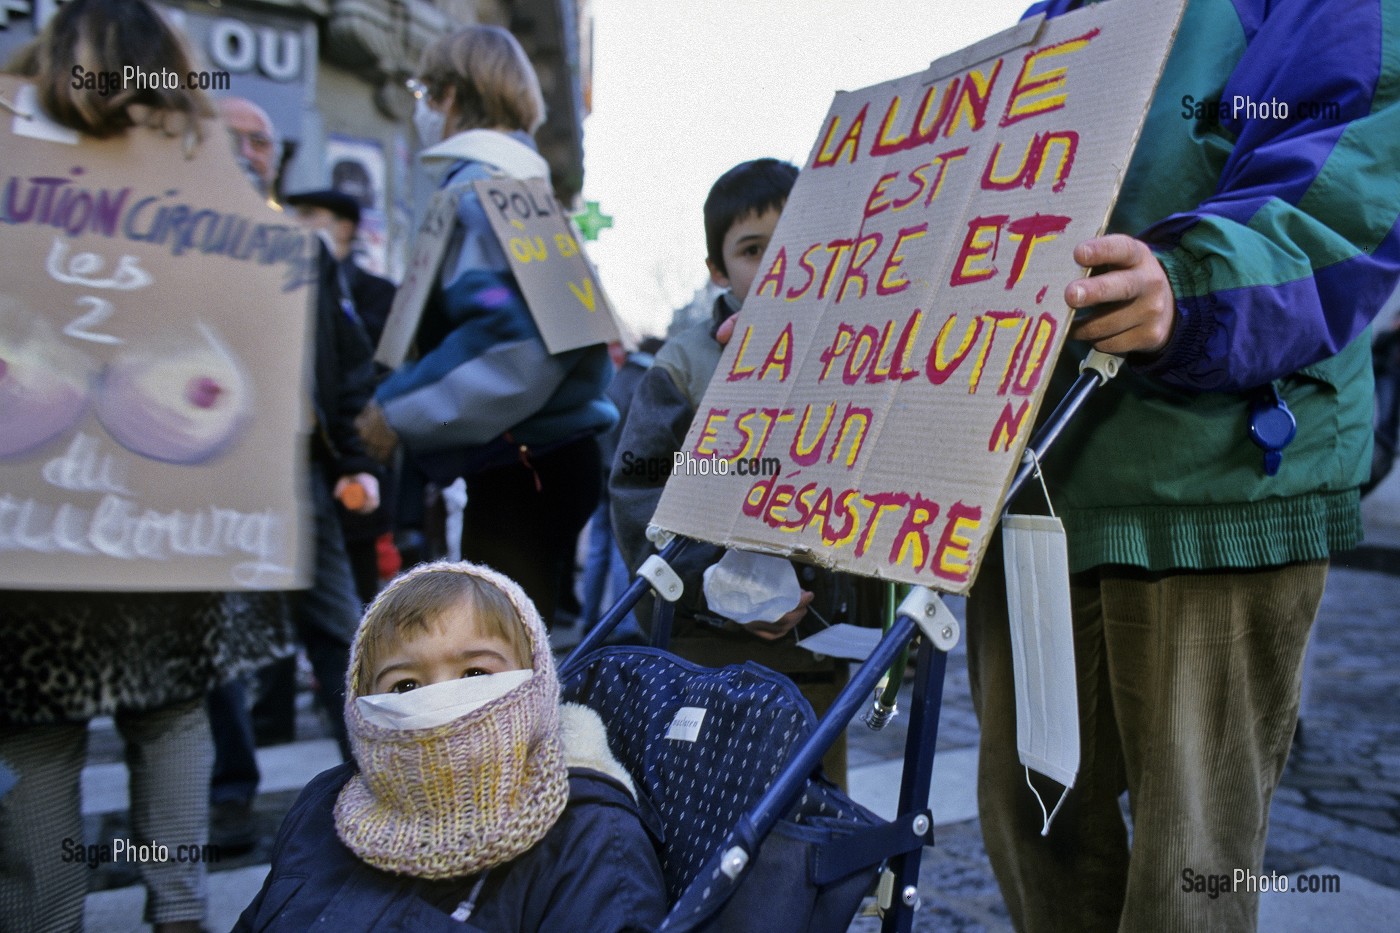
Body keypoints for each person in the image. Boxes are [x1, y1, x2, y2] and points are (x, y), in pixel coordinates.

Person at [965, 1, 1400, 931]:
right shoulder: (1052, 15)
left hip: (1220, 473)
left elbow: (1355, 165)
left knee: (1195, 865)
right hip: (1036, 481)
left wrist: (1194, 284)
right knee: (1030, 822)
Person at [0, 3, 294, 931]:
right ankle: (175, 911)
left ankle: (46, 918)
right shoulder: (202, 162)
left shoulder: (11, 139)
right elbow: (268, 311)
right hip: (171, 503)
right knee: (169, 716)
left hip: (33, 510)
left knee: (37, 734)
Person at [610, 159, 878, 785]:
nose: (779, 263)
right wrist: (710, 590)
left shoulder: (857, 350)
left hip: (815, 647)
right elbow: (641, 489)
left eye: (795, 243)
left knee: (811, 806)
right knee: (708, 802)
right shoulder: (685, 364)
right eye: (755, 249)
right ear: (718, 270)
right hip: (704, 648)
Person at [233, 560, 667, 931]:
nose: (442, 701)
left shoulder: (591, 839)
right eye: (405, 685)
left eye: (475, 673)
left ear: (535, 679)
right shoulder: (324, 806)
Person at [355, 25, 616, 628]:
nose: (422, 107)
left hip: (522, 463)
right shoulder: (522, 191)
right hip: (550, 455)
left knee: (505, 660)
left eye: (425, 91)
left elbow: (514, 342)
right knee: (519, 645)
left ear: (449, 95)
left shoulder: (479, 195)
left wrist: (395, 409)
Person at [285, 187, 401, 604]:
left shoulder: (376, 293)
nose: (298, 220)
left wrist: (359, 462)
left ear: (344, 227)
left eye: (310, 213)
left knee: (352, 591)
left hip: (353, 458)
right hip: (304, 470)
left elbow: (365, 370)